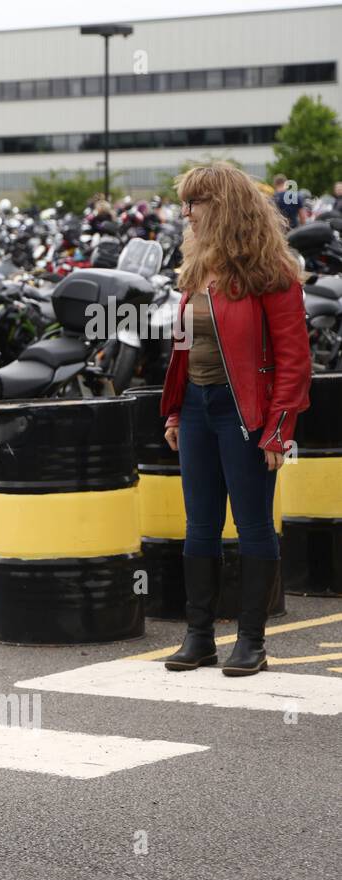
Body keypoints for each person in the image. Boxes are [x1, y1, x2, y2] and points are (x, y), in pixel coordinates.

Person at [160, 161, 311, 677]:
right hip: (199, 408)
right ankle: (198, 637)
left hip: (245, 413)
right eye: (186, 201)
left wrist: (278, 429)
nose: (186, 212)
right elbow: (184, 348)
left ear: (223, 207)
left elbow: (294, 359)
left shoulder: (272, 270)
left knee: (252, 527)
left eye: (196, 202)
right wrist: (176, 408)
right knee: (199, 526)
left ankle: (252, 641)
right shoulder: (196, 267)